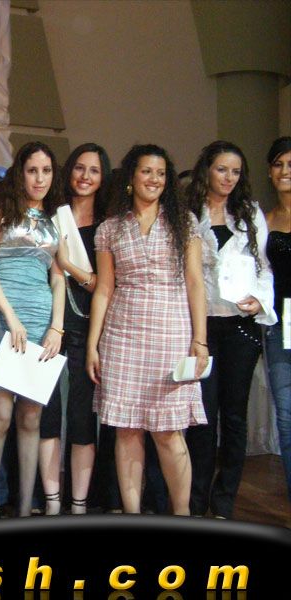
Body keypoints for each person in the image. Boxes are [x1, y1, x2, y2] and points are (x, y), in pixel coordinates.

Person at [87, 144, 208, 515]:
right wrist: (92, 345)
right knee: (126, 430)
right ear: (131, 177)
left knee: (169, 432)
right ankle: (133, 514)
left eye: (160, 173)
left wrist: (200, 340)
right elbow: (104, 289)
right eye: (146, 171)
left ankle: (182, 514)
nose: (154, 179)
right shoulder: (110, 228)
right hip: (122, 336)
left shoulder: (184, 223)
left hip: (171, 336)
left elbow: (195, 283)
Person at [184, 140, 276, 519]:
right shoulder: (189, 212)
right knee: (202, 416)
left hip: (240, 326)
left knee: (234, 417)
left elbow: (263, 267)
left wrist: (260, 299)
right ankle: (195, 500)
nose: (228, 178)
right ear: (207, 169)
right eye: (222, 169)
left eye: (235, 171)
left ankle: (224, 502)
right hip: (202, 325)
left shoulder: (249, 212)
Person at [0, 141, 66, 519]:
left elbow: (58, 276)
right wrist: (11, 317)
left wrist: (57, 326)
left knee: (31, 418)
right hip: (0, 319)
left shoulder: (57, 220)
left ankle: (26, 510)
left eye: (46, 171)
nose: (40, 178)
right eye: (32, 170)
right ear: (20, 173)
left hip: (42, 322)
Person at [46, 143, 111, 515]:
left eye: (94, 170)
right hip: (51, 325)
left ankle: (81, 503)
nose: (85, 176)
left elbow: (105, 285)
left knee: (84, 416)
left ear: (103, 178)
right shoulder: (52, 216)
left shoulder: (109, 223)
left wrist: (68, 264)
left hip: (94, 329)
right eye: (80, 168)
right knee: (47, 413)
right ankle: (49, 501)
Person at [264, 136, 291, 501]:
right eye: (279, 164)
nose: (285, 171)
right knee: (285, 414)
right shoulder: (264, 220)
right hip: (279, 320)